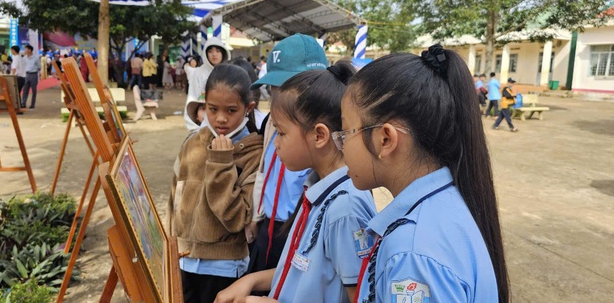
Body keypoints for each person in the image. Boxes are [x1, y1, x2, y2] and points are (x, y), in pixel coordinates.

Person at [342, 45, 509, 302]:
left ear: (385, 139)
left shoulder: (412, 254)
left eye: (345, 132)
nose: (340, 144)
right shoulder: (447, 202)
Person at [215, 62, 377, 303]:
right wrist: (249, 281)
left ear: (319, 136)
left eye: (281, 133)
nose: (275, 144)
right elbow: (301, 272)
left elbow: (361, 299)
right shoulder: (318, 191)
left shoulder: (345, 209)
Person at [167, 63, 263, 303]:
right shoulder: (193, 143)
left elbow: (236, 218)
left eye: (231, 110)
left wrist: (221, 164)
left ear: (248, 107)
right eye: (213, 109)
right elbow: (175, 199)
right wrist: (169, 245)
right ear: (204, 104)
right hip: (182, 260)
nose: (221, 118)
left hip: (224, 270)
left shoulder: (254, 154)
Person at [244, 34, 328, 277]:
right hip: (267, 229)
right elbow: (265, 169)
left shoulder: (325, 132)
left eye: (285, 87)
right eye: (273, 87)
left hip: (296, 233)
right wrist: (256, 215)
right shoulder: (273, 120)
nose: (276, 95)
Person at [184, 37, 229, 132]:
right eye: (210, 51)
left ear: (223, 53)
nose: (214, 54)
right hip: (204, 120)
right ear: (206, 54)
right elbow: (193, 97)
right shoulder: (198, 73)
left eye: (218, 51)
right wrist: (194, 127)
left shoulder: (228, 72)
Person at [21, 44, 40, 109]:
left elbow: (39, 66)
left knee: (34, 90)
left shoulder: (36, 58)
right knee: (25, 89)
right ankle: (23, 103)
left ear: (30, 50)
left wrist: (34, 69)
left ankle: (32, 104)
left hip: (34, 74)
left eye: (26, 49)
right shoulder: (24, 58)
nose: (25, 50)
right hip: (26, 74)